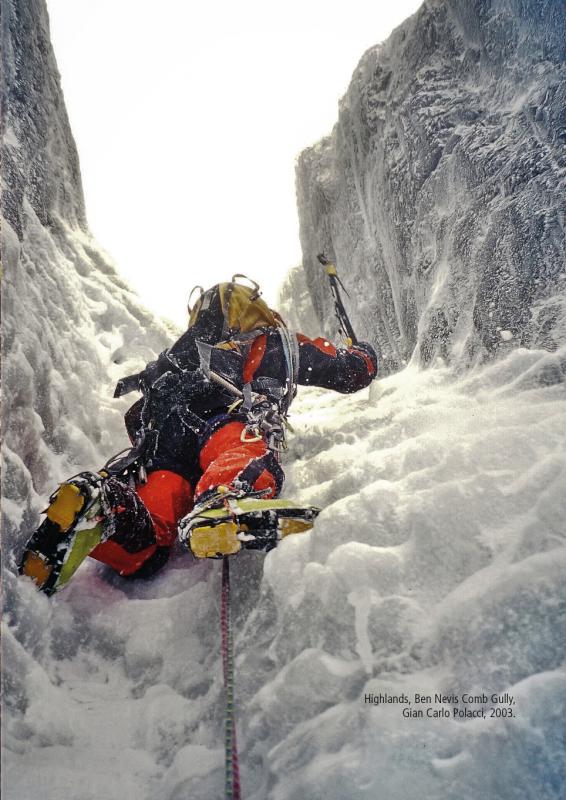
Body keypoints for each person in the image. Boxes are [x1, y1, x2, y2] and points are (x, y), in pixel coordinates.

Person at [19, 275, 377, 595]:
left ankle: (106, 507)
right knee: (238, 452)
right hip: (225, 418)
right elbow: (346, 372)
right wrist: (364, 356)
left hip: (165, 444)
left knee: (155, 521)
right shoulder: (270, 342)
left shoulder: (181, 356)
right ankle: (225, 498)